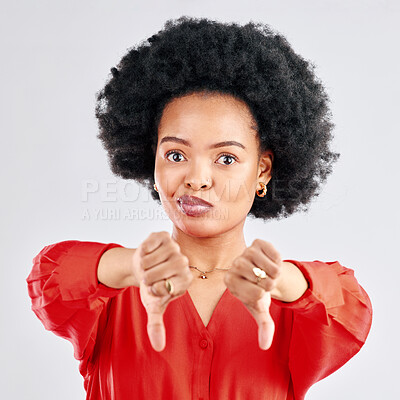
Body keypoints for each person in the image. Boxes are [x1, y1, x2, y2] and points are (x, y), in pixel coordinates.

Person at [26, 16, 373, 400]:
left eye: (226, 158)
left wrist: (280, 281)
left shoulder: (292, 306)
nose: (197, 178)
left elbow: (348, 311)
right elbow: (51, 278)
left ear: (263, 171)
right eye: (176, 154)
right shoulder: (111, 296)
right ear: (151, 160)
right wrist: (130, 266)